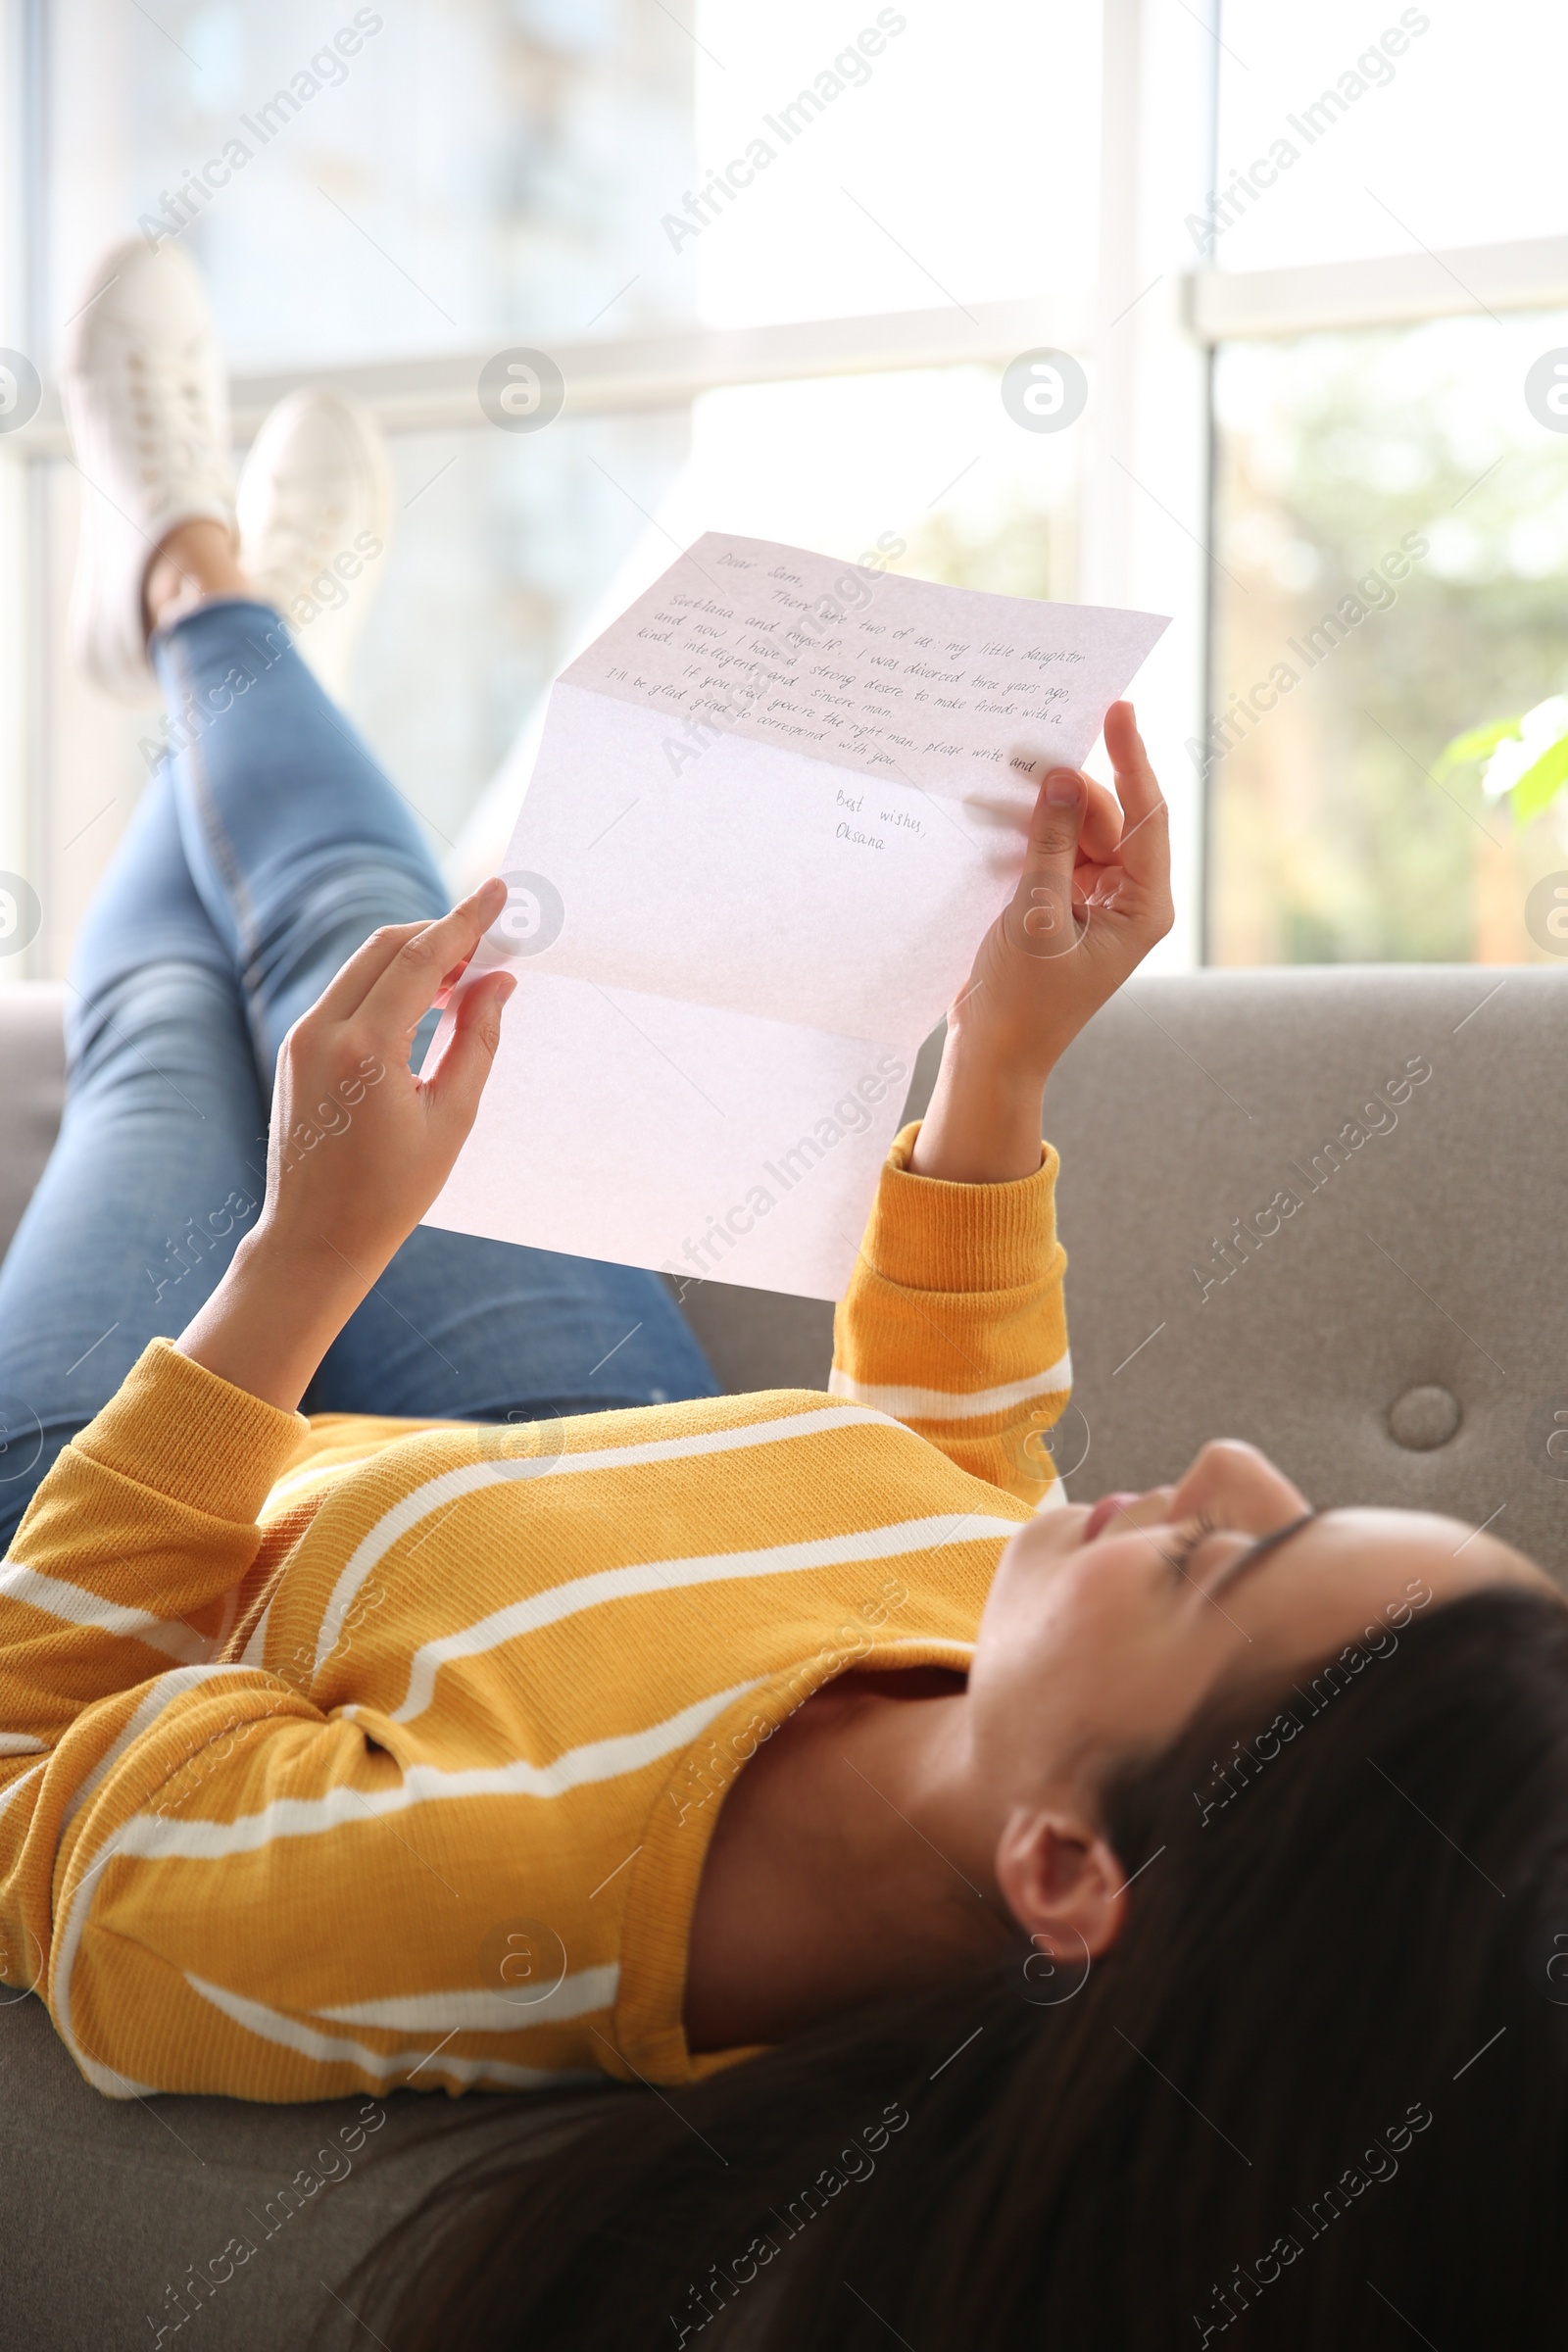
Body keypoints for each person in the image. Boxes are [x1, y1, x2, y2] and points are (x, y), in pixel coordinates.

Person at [2, 244, 1566, 2349]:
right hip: (566, 1446)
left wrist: (305, 1258)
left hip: (141, 1514)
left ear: (1063, 1879)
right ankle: (215, 621)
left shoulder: (491, 1900)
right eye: (1273, 1506)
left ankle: (202, 596)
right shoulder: (1016, 1682)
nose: (1205, 1465)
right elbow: (937, 1453)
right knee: (364, 937)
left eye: (1212, 1565)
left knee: (180, 1016)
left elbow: (40, 1762)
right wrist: (998, 1062)